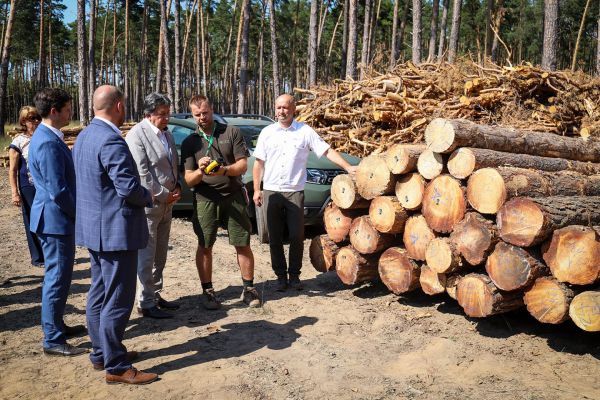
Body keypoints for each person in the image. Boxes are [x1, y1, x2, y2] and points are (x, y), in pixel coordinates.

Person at [73, 85, 157, 385]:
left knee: (99, 292)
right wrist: (149, 195)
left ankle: (101, 353)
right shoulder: (110, 139)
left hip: (95, 231)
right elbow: (128, 188)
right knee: (118, 298)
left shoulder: (84, 135)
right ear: (119, 105)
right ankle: (117, 366)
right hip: (115, 232)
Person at [252, 94, 357, 291]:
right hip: (272, 191)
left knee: (296, 236)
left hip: (295, 192)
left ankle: (294, 276)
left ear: (294, 110)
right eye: (278, 107)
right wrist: (257, 189)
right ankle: (280, 276)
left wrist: (347, 167)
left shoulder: (304, 132)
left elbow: (326, 151)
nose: (281, 111)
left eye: (285, 107)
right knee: (274, 237)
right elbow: (259, 164)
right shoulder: (267, 133)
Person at [181, 95, 261, 309]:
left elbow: (243, 165)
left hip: (233, 195)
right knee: (205, 245)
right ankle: (207, 291)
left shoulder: (230, 132)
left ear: (212, 110)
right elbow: (189, 180)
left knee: (242, 243)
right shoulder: (190, 142)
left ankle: (249, 289)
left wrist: (223, 170)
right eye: (197, 114)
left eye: (205, 113)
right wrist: (201, 169)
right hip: (205, 198)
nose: (202, 117)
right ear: (192, 115)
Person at [28, 88, 87, 357]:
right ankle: (52, 338)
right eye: (68, 109)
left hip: (53, 219)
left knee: (60, 278)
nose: (70, 113)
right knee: (56, 279)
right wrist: (80, 214)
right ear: (54, 111)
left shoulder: (47, 136)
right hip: (55, 220)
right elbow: (58, 190)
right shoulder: (48, 142)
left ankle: (57, 325)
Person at [125, 93, 181, 319]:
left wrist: (176, 187)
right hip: (149, 206)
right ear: (148, 115)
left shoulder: (166, 134)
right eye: (161, 115)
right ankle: (145, 302)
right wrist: (163, 194)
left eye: (168, 113)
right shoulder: (137, 135)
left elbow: (171, 164)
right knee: (146, 256)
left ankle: (155, 294)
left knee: (160, 255)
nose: (166, 118)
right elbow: (142, 174)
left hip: (167, 204)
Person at [8, 106, 44, 267]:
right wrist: (15, 192)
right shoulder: (18, 142)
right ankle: (37, 257)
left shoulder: (44, 136)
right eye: (32, 118)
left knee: (47, 218)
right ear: (24, 121)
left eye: (38, 117)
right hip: (28, 186)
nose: (36, 121)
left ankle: (49, 252)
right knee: (32, 220)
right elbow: (13, 170)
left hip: (45, 185)